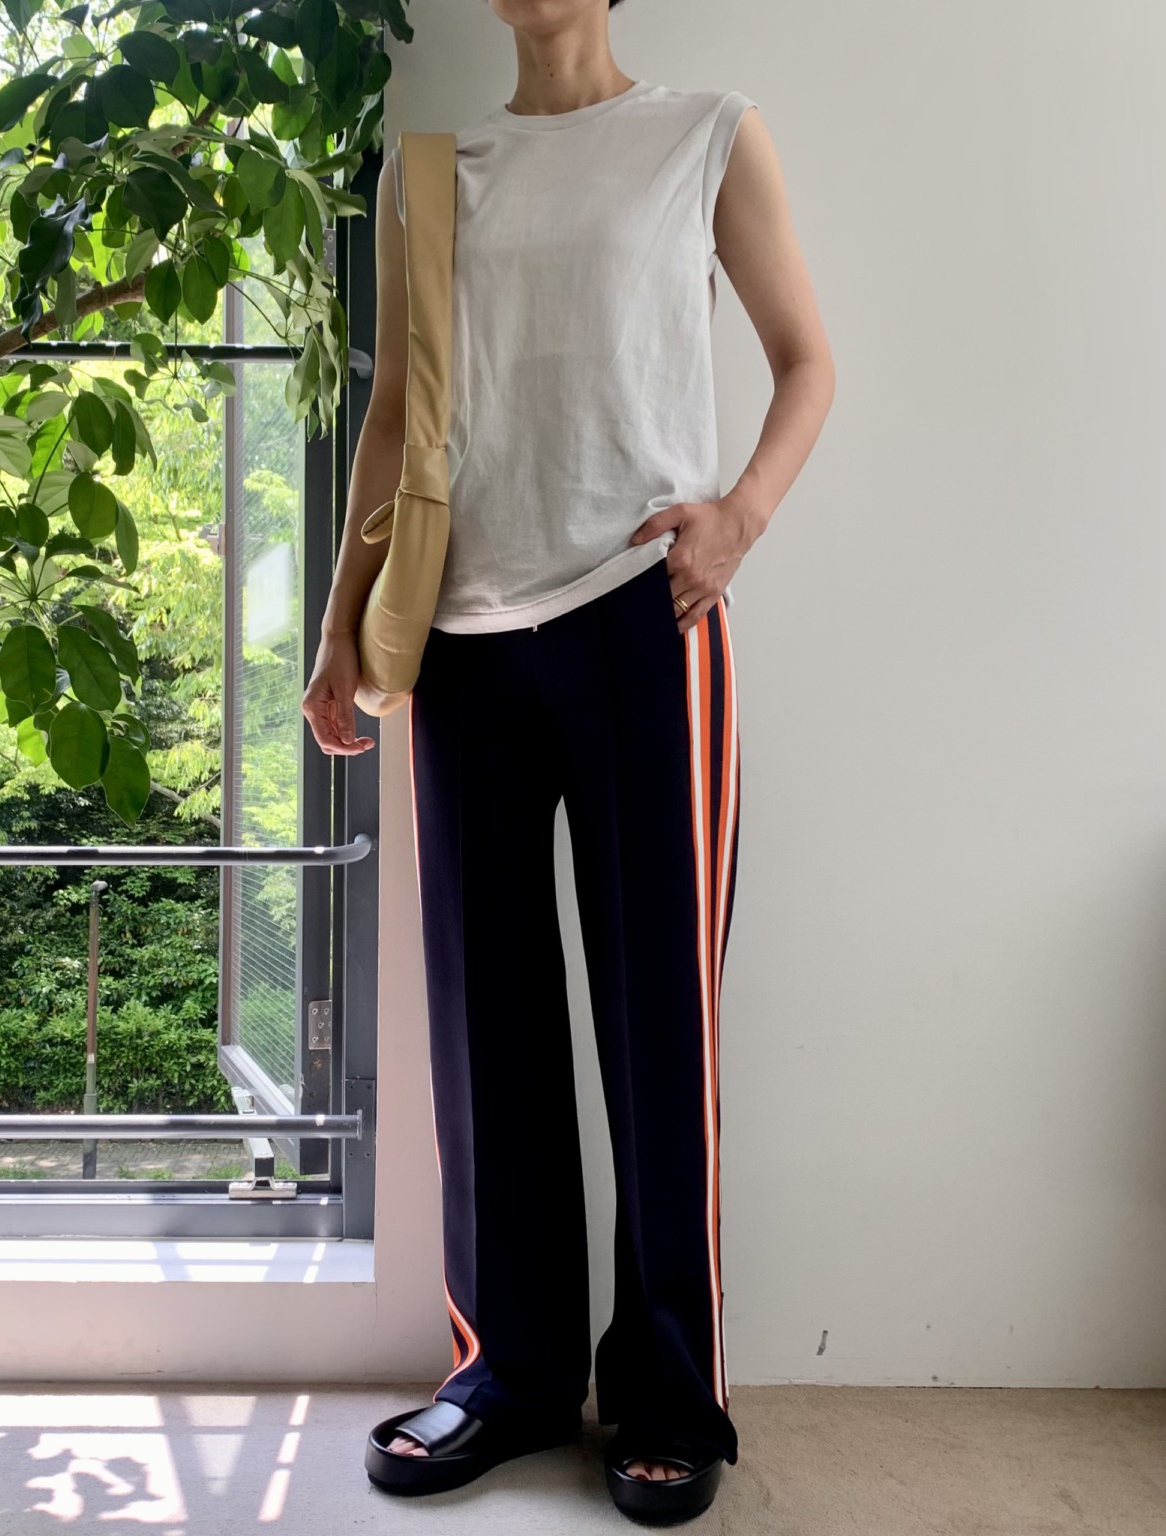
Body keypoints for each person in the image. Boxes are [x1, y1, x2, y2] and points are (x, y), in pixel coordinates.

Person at [301, 0, 834, 1521]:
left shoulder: (705, 134)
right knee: (489, 1028)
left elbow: (808, 363)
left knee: (658, 1022)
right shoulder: (435, 169)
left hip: (644, 620)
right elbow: (396, 415)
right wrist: (341, 627)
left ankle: (668, 1392)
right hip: (462, 637)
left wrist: (739, 518)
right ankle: (510, 1374)